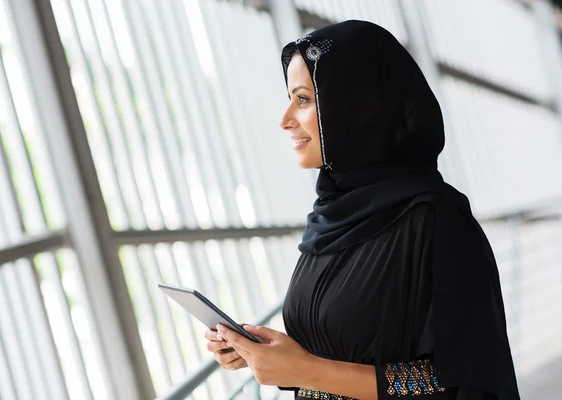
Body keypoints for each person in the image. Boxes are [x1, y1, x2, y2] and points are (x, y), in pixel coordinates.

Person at [204, 20, 520, 400]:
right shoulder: (330, 218)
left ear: (358, 107)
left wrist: (307, 370)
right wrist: (267, 355)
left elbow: (462, 380)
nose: (285, 119)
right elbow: (347, 349)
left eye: (303, 99)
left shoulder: (438, 220)